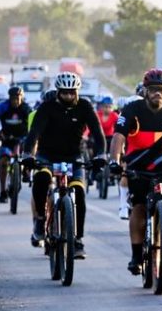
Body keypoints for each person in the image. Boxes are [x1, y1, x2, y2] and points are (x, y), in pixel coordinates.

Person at [23, 72, 106, 255]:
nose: (68, 96)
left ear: (77, 92)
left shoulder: (85, 106)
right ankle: (39, 219)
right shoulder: (47, 107)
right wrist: (28, 154)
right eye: (64, 93)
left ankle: (77, 239)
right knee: (42, 178)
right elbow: (34, 132)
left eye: (71, 93)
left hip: (74, 156)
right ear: (58, 92)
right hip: (46, 156)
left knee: (79, 191)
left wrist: (101, 154)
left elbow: (98, 133)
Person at [109, 68, 162, 276]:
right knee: (139, 208)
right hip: (139, 166)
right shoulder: (132, 109)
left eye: (161, 89)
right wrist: (114, 161)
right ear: (145, 91)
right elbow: (118, 136)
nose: (157, 93)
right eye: (153, 89)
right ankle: (136, 255)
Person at [0, 86, 30, 203]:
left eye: (18, 98)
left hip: (22, 140)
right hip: (7, 139)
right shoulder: (4, 106)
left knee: (29, 154)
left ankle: (26, 171)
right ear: (9, 98)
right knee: (3, 162)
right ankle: (2, 191)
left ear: (22, 97)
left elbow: (34, 120)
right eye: (13, 98)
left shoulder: (26, 108)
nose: (15, 101)